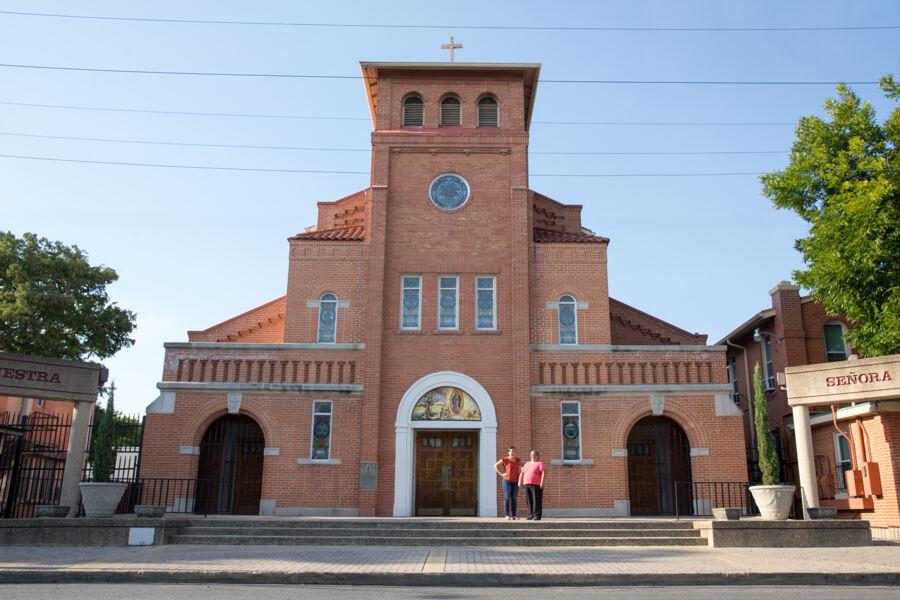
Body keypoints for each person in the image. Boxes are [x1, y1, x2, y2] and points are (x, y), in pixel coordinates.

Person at [494, 446, 523, 520]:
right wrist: (501, 474)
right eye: (511, 451)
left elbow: (525, 466)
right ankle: (507, 515)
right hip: (507, 481)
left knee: (514, 498)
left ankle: (514, 515)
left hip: (515, 482)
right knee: (507, 498)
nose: (513, 453)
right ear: (508, 452)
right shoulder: (505, 459)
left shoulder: (517, 460)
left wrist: (521, 471)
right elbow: (495, 466)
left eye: (514, 451)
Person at [518, 450, 547, 520]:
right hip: (526, 484)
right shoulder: (526, 464)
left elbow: (544, 472)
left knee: (536, 500)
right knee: (528, 500)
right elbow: (522, 473)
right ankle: (530, 514)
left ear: (537, 456)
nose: (532, 456)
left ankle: (537, 515)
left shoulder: (540, 463)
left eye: (534, 455)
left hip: (536, 484)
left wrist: (542, 482)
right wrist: (519, 482)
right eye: (531, 455)